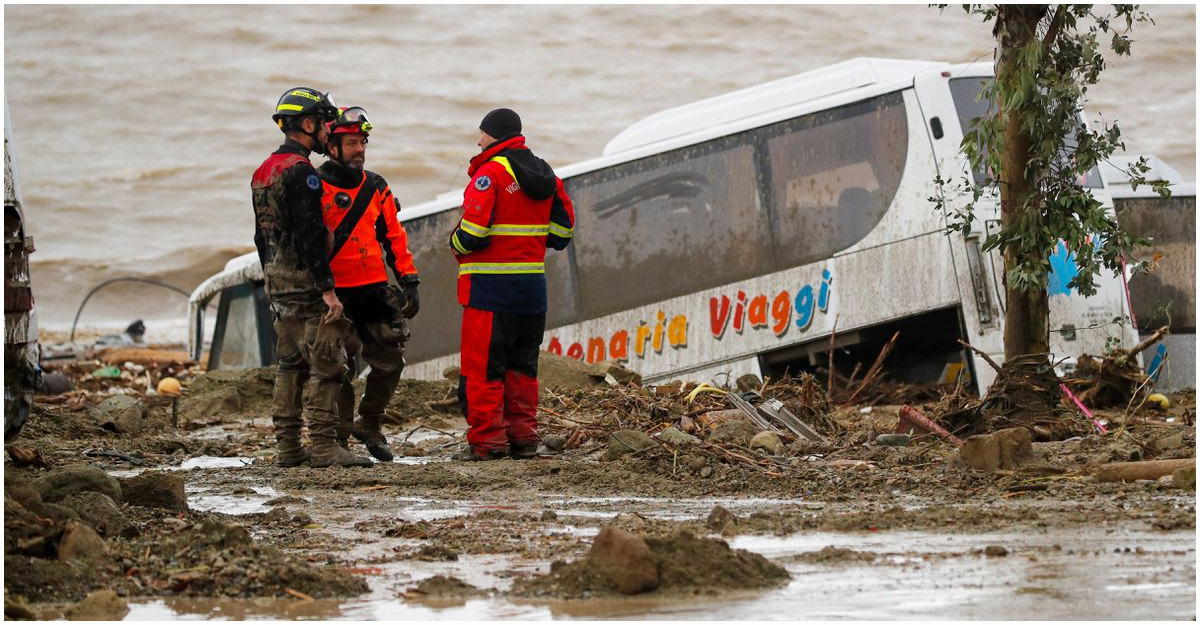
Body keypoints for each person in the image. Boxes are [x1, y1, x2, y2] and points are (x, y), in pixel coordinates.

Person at [251, 87, 372, 468]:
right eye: (324, 123)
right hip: (306, 284)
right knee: (327, 364)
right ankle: (322, 446)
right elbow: (310, 236)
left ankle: (288, 448)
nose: (328, 132)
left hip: (277, 281)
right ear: (307, 124)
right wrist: (328, 290)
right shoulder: (303, 174)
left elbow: (261, 236)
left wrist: (272, 275)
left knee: (288, 365)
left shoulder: (263, 171)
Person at [448, 108, 575, 461]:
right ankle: (523, 440)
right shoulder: (545, 172)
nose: (478, 140)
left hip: (489, 292)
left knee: (484, 369)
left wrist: (454, 243)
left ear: (497, 136)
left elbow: (472, 232)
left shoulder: (490, 173)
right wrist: (531, 243)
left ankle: (488, 443)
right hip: (532, 290)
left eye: (483, 134)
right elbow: (564, 231)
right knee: (523, 367)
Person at [317, 106, 421, 462]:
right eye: (351, 143)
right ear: (332, 147)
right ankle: (341, 438)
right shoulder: (315, 186)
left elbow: (394, 237)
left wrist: (409, 280)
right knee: (338, 367)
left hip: (374, 289)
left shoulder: (377, 186)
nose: (360, 149)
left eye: (362, 142)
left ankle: (370, 424)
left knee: (391, 361)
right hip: (335, 294)